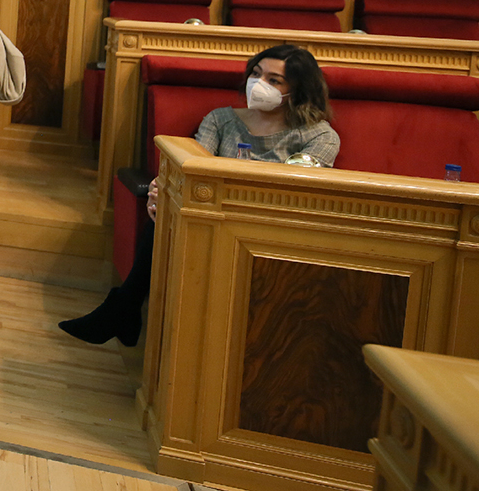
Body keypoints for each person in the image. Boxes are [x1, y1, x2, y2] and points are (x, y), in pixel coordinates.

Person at [58, 45, 338, 347]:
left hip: (272, 227)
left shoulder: (319, 136)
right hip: (213, 218)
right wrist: (162, 186)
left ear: (296, 90)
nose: (258, 84)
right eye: (256, 74)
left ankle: (123, 309)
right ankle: (126, 307)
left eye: (274, 81)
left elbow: (300, 190)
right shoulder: (221, 120)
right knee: (165, 204)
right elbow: (190, 166)